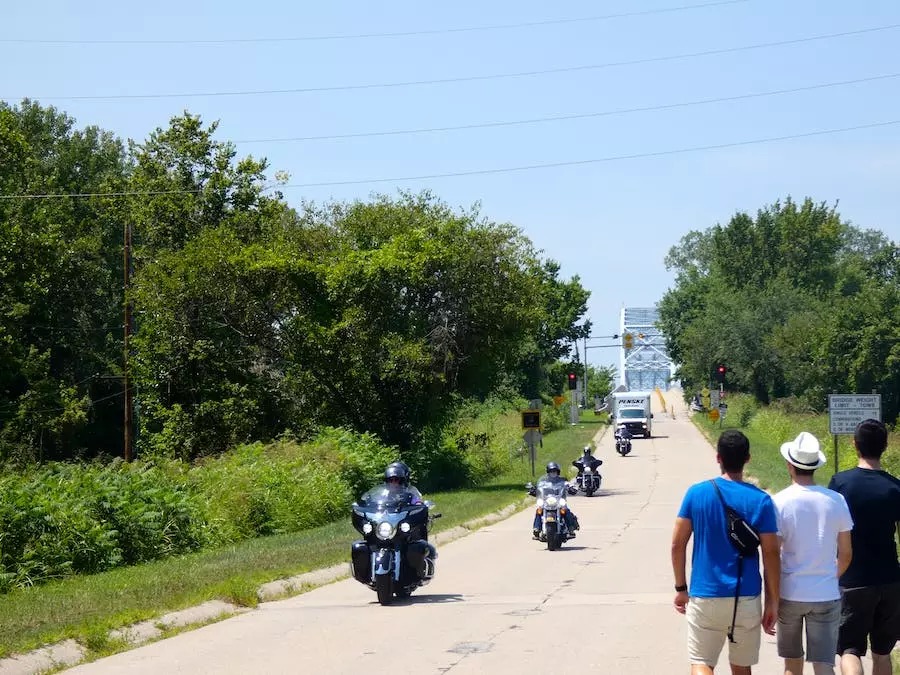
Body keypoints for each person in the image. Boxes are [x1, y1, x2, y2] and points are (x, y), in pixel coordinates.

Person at [671, 429, 781, 675]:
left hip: (705, 594)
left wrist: (681, 589)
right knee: (742, 667)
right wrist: (773, 600)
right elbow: (772, 554)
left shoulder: (696, 494)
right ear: (748, 458)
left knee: (701, 661)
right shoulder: (761, 500)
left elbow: (677, 544)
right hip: (746, 596)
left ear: (718, 458)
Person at [773, 432, 853, 675]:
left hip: (790, 592)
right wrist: (830, 575)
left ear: (790, 465)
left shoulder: (779, 501)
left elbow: (772, 555)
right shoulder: (836, 500)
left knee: (792, 664)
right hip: (825, 592)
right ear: (815, 466)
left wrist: (772, 595)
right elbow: (847, 553)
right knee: (824, 664)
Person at [828, 419, 900, 675]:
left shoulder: (841, 484)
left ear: (855, 445)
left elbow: (829, 533)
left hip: (853, 578)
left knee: (849, 650)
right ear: (885, 446)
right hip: (890, 579)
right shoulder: (895, 487)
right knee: (882, 652)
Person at [531, 461, 580, 539]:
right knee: (539, 510)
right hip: (546, 501)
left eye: (554, 471)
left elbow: (568, 485)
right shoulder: (543, 482)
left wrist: (571, 488)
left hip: (559, 501)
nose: (553, 473)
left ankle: (571, 529)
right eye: (551, 471)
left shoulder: (562, 481)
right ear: (548, 472)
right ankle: (537, 529)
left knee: (566, 511)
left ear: (558, 472)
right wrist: (533, 489)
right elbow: (538, 487)